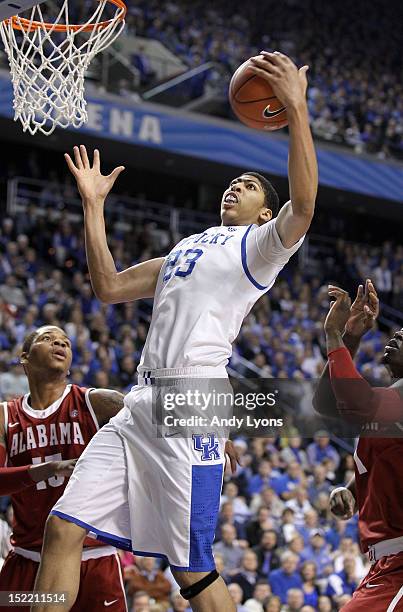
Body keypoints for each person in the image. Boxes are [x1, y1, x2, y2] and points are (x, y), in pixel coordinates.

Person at [34, 49, 318, 612]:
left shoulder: (259, 248)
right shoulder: (185, 248)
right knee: (62, 528)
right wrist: (94, 209)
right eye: (230, 183)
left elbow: (305, 206)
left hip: (194, 400)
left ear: (266, 213)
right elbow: (109, 287)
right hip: (143, 398)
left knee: (192, 568)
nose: (233, 188)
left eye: (247, 185)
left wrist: (296, 111)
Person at [0, 325, 127, 611]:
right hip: (27, 559)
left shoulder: (97, 402)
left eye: (65, 342)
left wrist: (213, 432)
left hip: (94, 559)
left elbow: (156, 416)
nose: (59, 343)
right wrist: (48, 469)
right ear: (25, 358)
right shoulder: (5, 415)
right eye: (47, 339)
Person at [314, 280, 403, 609]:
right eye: (397, 332)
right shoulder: (390, 406)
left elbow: (350, 399)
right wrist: (354, 490)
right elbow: (326, 403)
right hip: (386, 562)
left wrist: (335, 334)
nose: (397, 334)